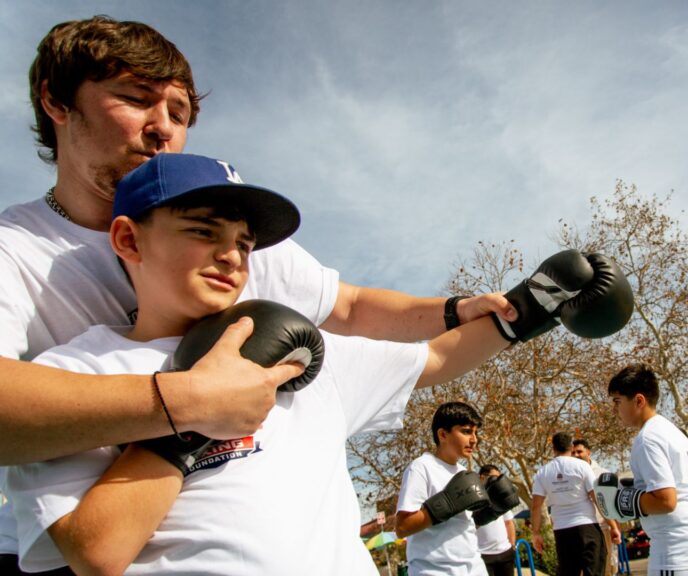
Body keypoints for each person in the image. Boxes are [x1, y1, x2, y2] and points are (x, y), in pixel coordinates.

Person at [0, 16, 511, 572]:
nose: (163, 128)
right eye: (135, 99)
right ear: (56, 103)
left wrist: (461, 310)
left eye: (179, 113)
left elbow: (350, 306)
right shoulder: (16, 252)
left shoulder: (237, 238)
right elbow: (92, 547)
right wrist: (192, 405)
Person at [599, 364, 688, 576]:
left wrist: (625, 502)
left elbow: (666, 500)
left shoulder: (647, 439)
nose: (614, 410)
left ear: (639, 400)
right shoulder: (672, 431)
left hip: (677, 550)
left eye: (618, 402)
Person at [394, 402, 491, 575]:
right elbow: (402, 527)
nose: (474, 439)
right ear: (443, 434)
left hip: (474, 568)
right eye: (466, 431)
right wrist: (447, 503)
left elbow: (462, 525)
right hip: (434, 571)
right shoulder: (421, 467)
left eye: (476, 432)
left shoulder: (465, 473)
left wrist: (492, 511)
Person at [530, 431, 607, 576]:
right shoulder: (583, 466)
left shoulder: (542, 472)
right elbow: (596, 497)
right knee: (595, 571)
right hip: (587, 527)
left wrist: (536, 533)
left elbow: (536, 506)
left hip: (562, 531)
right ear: (571, 447)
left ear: (553, 449)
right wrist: (612, 523)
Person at [572, 438, 621, 576]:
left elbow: (612, 503)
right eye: (573, 452)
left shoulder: (602, 474)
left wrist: (615, 527)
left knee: (607, 567)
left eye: (579, 451)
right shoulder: (569, 474)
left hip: (603, 527)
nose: (576, 455)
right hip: (580, 529)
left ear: (588, 452)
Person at [476, 464, 518, 576]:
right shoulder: (474, 497)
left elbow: (509, 522)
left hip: (505, 552)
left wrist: (512, 545)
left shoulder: (501, 496)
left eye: (498, 478)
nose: (497, 481)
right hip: (482, 554)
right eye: (493, 477)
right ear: (482, 477)